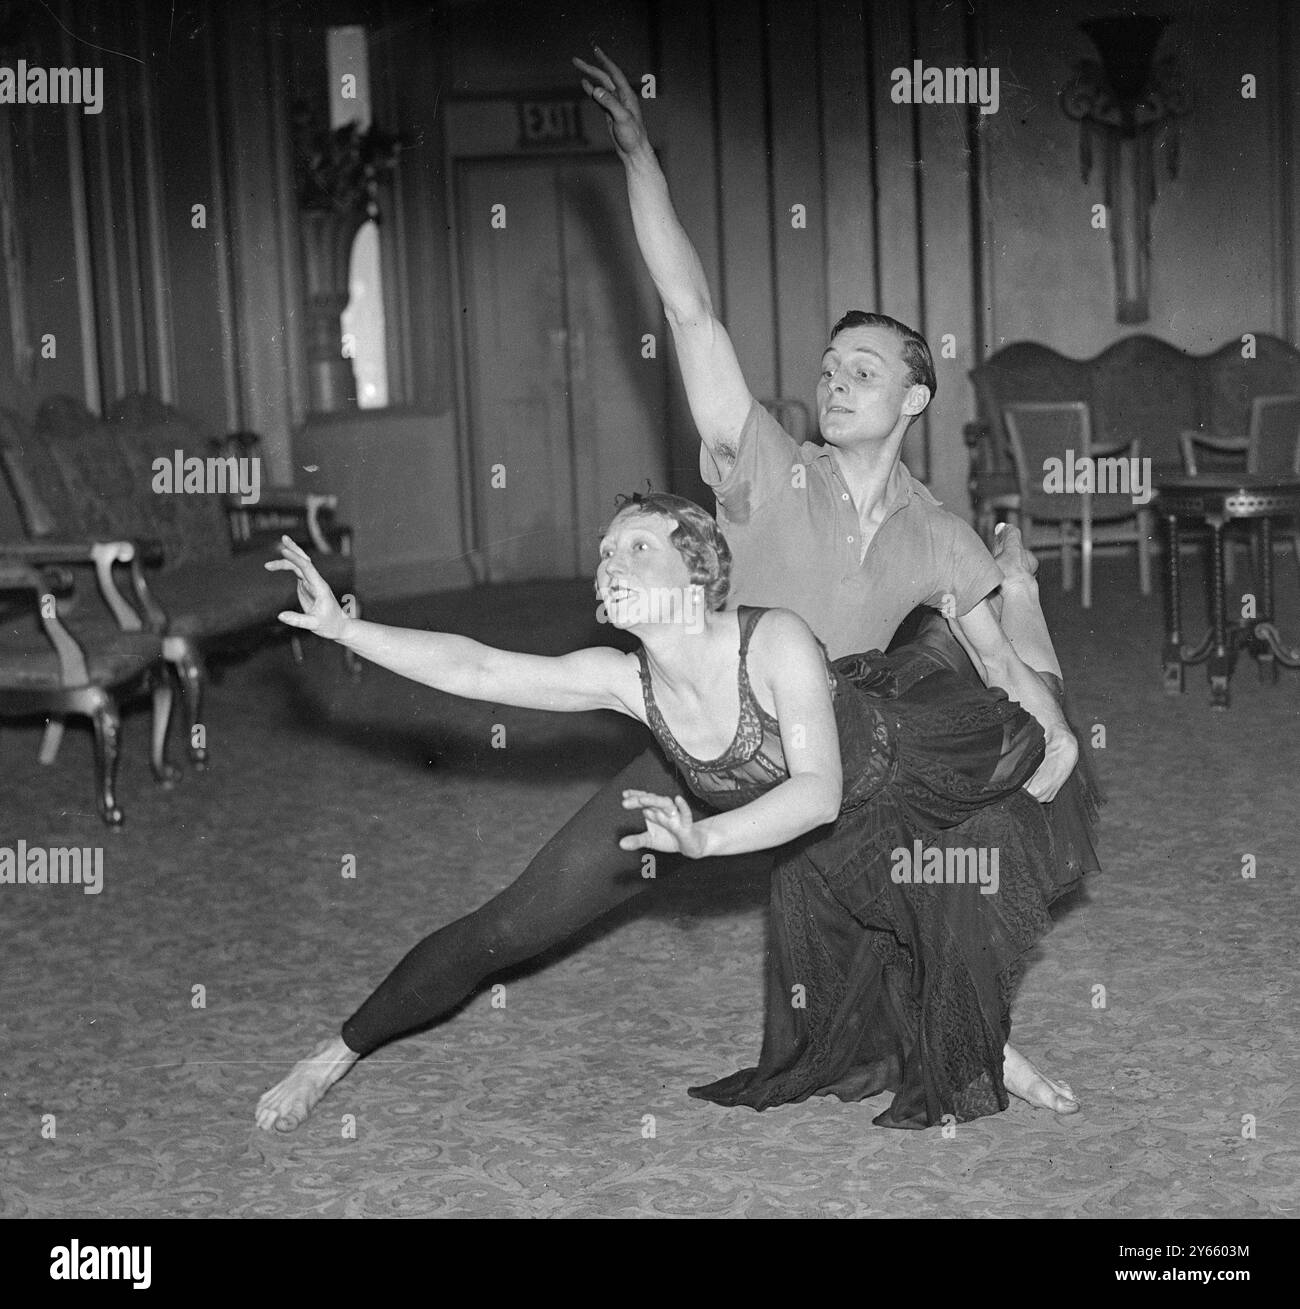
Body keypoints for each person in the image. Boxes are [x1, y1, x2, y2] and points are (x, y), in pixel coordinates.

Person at [254, 48, 1097, 1134]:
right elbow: (691, 313)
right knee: (516, 921)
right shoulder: (765, 461)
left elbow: (988, 666)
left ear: (916, 395)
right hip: (707, 724)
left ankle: (978, 1035)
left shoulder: (937, 531)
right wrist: (639, 162)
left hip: (838, 743)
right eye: (829, 365)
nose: (836, 379)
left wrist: (1060, 733)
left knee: (937, 876)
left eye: (864, 369)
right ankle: (339, 1047)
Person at [256, 502, 1073, 1131]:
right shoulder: (622, 677)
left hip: (894, 781)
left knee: (1022, 744)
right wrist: (344, 627)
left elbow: (819, 792)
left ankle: (1021, 585)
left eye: (636, 545)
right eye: (605, 550)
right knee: (508, 925)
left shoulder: (776, 640)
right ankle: (335, 1052)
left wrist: (705, 838)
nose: (610, 559)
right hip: (745, 801)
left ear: (698, 568)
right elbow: (478, 666)